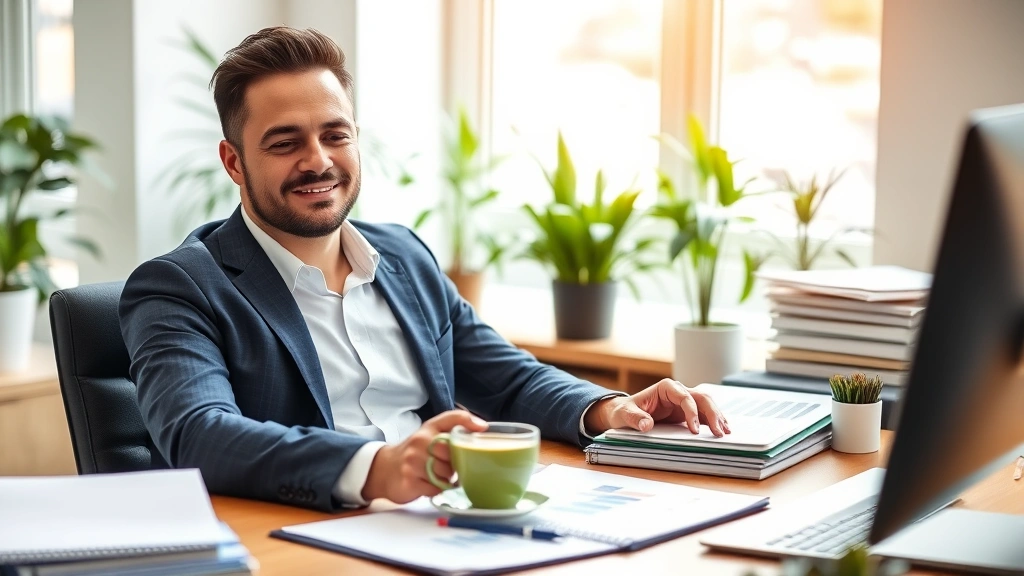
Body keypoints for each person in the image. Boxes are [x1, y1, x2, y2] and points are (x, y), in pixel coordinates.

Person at [119, 26, 730, 512]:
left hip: (445, 517)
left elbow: (507, 378)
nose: (319, 161)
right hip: (307, 530)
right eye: (285, 143)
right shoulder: (180, 287)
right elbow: (199, 434)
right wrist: (376, 468)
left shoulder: (404, 256)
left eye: (336, 134)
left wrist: (612, 410)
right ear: (233, 161)